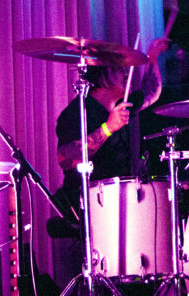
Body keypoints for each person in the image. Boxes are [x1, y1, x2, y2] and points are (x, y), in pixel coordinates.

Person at [54, 37, 169, 215]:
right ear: (102, 74)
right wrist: (108, 128)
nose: (126, 74)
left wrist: (152, 56)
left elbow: (151, 91)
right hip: (87, 204)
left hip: (121, 198)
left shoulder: (122, 104)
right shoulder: (77, 112)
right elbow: (65, 160)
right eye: (119, 69)